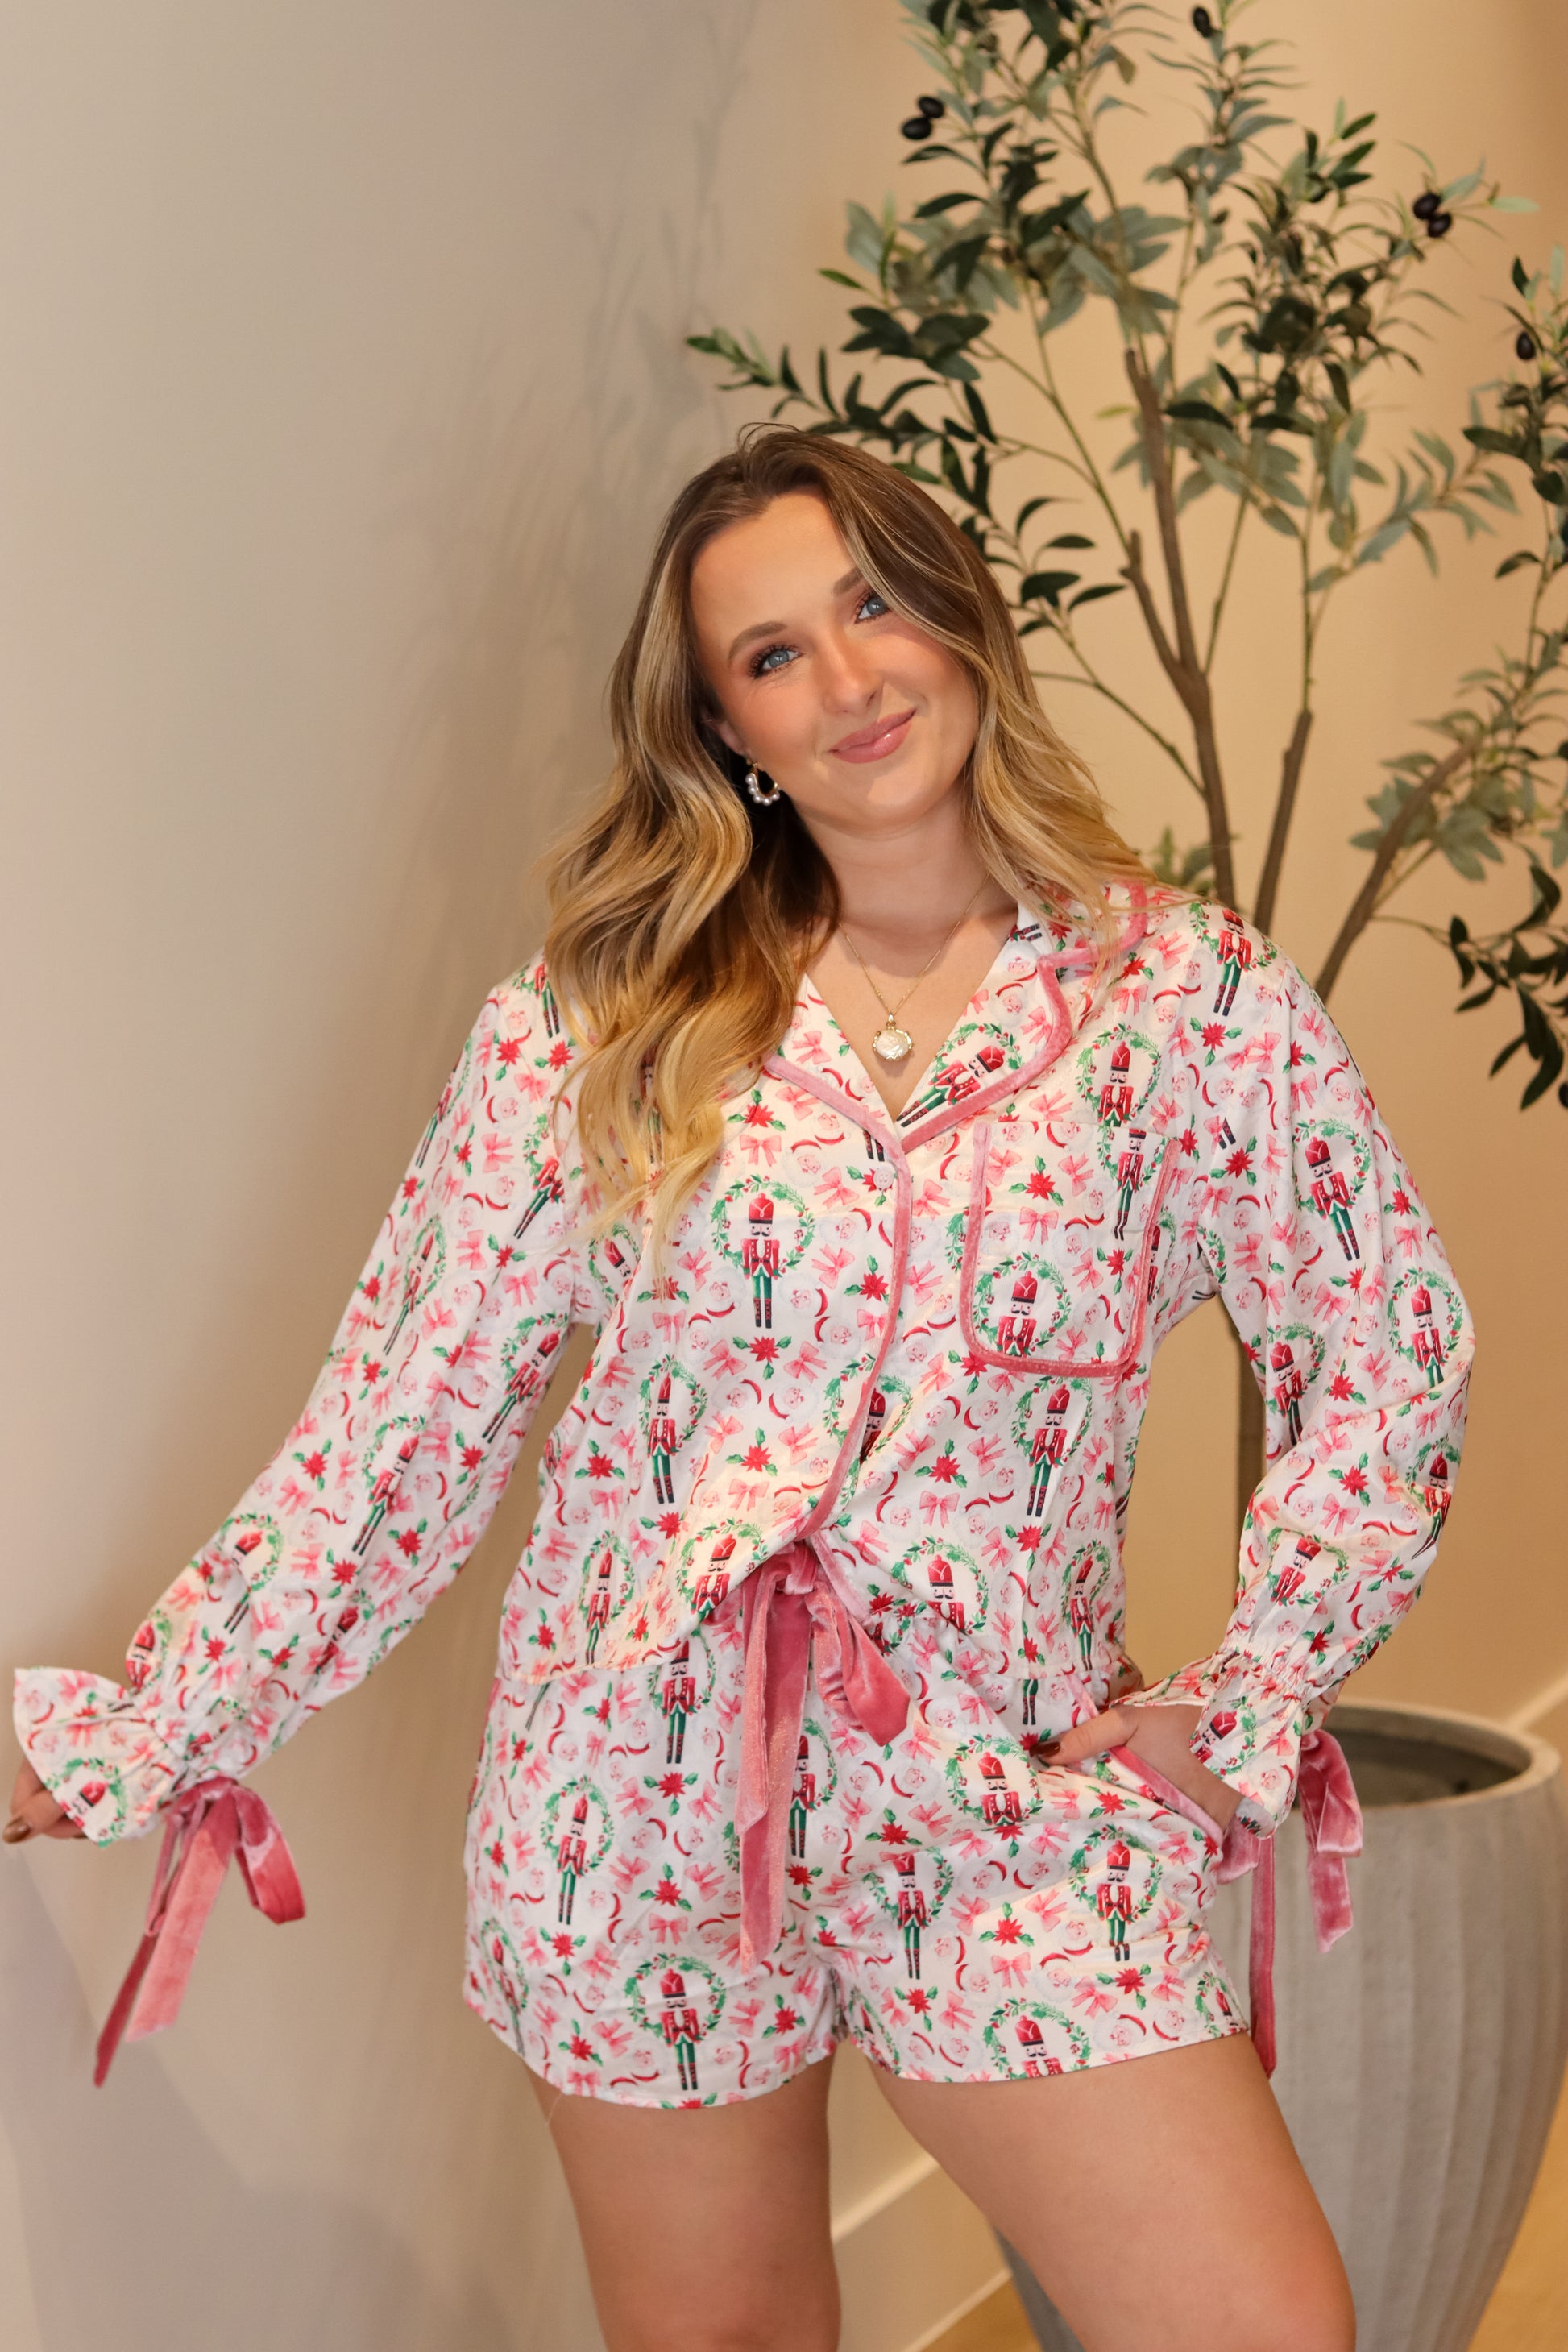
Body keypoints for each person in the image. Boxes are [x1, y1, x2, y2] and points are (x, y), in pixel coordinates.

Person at [8, 426, 1474, 2352]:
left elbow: (1384, 1348)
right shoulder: (595, 1023)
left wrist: (1251, 1690)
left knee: (1255, 2324)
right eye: (775, 652)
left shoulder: (1187, 1004)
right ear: (726, 727)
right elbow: (399, 1430)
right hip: (634, 1798)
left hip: (1006, 1788)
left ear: (957, 614)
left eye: (872, 605)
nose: (849, 678)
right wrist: (131, 1729)